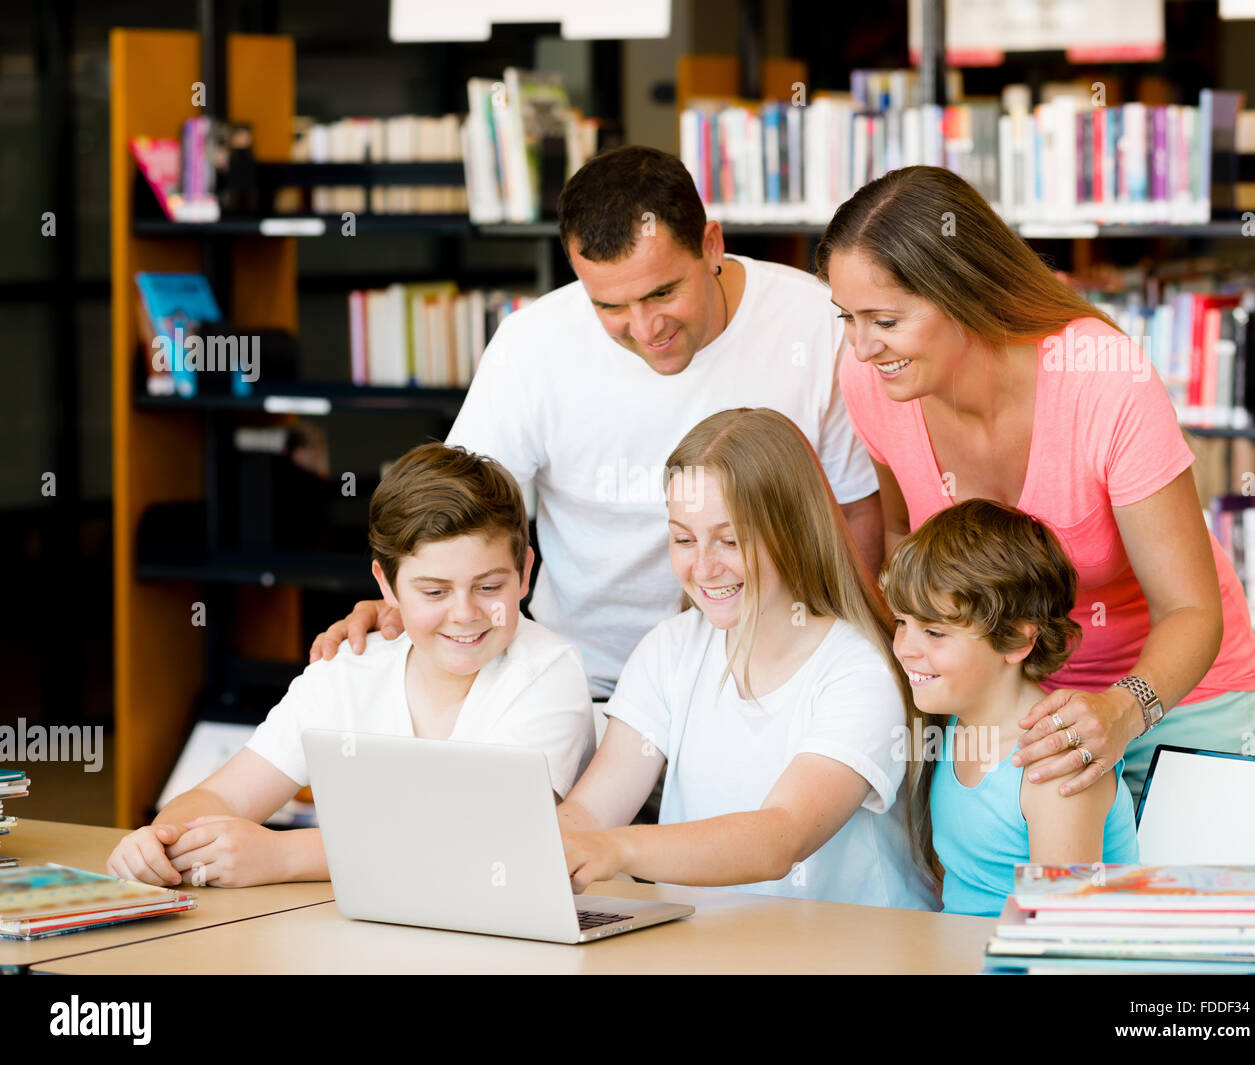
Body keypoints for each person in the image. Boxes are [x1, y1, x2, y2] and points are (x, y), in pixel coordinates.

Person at [310, 146, 881, 702]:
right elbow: (454, 511)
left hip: (765, 679)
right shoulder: (533, 344)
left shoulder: (816, 322)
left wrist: (846, 655)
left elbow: (854, 509)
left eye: (663, 292)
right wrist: (400, 603)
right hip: (580, 682)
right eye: (609, 306)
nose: (645, 327)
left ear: (711, 245)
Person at [817, 165, 1255, 805]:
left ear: (961, 294)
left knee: (1173, 903)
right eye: (847, 318)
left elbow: (1191, 611)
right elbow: (902, 535)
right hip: (1003, 705)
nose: (862, 348)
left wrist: (1118, 711)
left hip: (1175, 698)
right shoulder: (874, 384)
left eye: (884, 321)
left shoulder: (1100, 380)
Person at [107, 443, 594, 888]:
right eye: (434, 592)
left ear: (526, 571)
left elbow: (489, 844)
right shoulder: (350, 669)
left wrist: (285, 855)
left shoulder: (546, 673)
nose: (465, 613)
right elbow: (225, 797)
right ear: (386, 584)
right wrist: (161, 840)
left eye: (489, 588)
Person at [556, 408, 936, 910]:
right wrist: (542, 847)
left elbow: (781, 838)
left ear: (794, 531)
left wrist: (616, 849)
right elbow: (590, 811)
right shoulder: (671, 648)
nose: (704, 566)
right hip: (710, 949)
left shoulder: (860, 671)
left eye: (731, 540)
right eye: (684, 539)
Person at [881, 499, 1140, 918]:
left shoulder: (1054, 761)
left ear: (1018, 640)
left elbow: (1062, 933)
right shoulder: (951, 725)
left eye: (933, 631)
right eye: (901, 623)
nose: (906, 649)